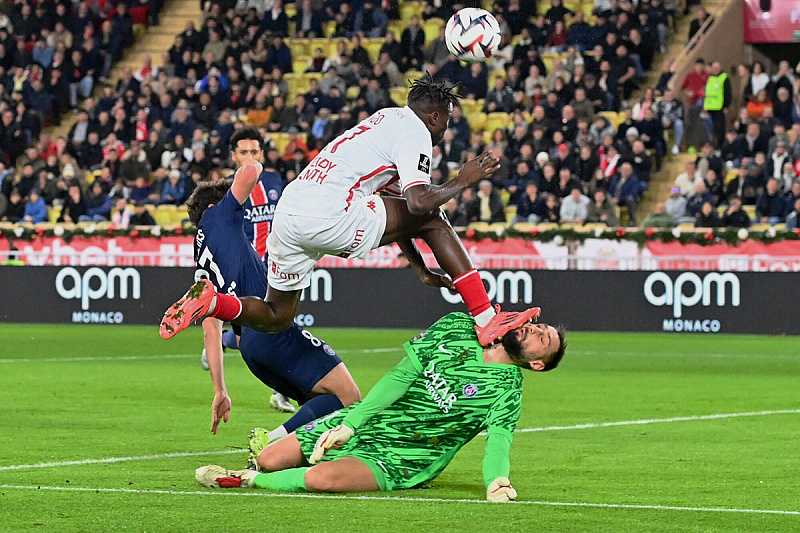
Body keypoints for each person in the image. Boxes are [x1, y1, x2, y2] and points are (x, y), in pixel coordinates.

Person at [161, 74, 516, 347]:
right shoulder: (416, 133)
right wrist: (464, 179)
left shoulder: (386, 119)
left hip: (289, 211)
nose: (446, 129)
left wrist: (421, 268)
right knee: (435, 220)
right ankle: (486, 319)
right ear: (434, 116)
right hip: (330, 212)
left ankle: (213, 304)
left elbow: (398, 204)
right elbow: (419, 204)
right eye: (448, 121)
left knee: (277, 315)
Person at [195, 310, 566, 500]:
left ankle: (248, 480)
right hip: (371, 421)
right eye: (539, 326)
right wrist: (351, 423)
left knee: (322, 480)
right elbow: (400, 377)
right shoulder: (458, 326)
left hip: (405, 457)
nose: (535, 330)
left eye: (543, 339)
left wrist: (496, 481)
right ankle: (267, 470)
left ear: (536, 363)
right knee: (271, 457)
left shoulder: (507, 389)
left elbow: (498, 441)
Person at [186, 137, 361, 445]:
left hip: (252, 353)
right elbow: (252, 169)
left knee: (320, 403)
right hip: (270, 331)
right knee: (348, 395)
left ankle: (289, 453)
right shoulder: (219, 213)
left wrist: (220, 390)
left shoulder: (201, 261)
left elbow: (210, 331)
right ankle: (271, 442)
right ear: (215, 205)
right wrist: (246, 163)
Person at [199, 128, 296, 414]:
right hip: (243, 271)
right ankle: (225, 341)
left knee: (280, 327)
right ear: (233, 156)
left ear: (262, 154)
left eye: (255, 152)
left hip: (275, 265)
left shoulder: (275, 181)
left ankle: (282, 392)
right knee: (255, 334)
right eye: (244, 152)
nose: (250, 157)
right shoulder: (227, 193)